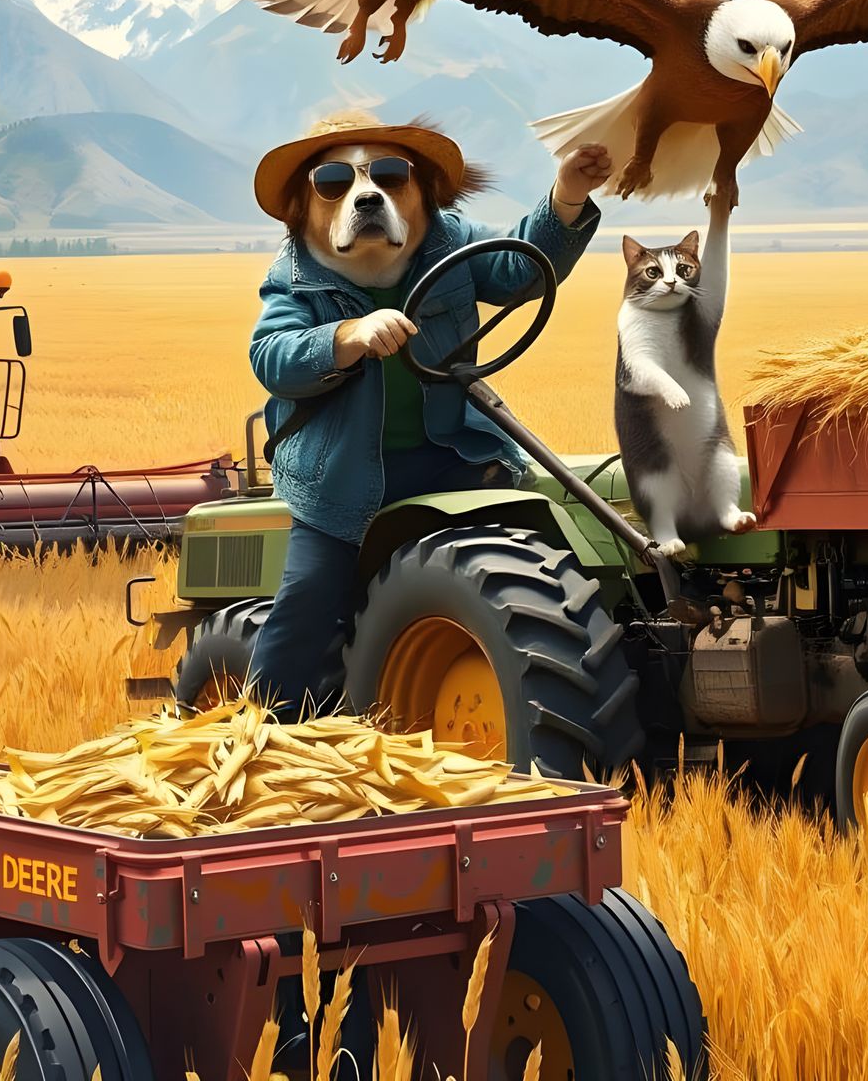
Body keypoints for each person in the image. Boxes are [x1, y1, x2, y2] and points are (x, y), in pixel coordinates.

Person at [243, 110, 611, 717]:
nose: (366, 194)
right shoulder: (292, 277)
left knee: (523, 573)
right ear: (302, 212)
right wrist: (347, 336)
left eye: (390, 175)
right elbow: (271, 356)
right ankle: (253, 736)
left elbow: (521, 270)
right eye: (333, 182)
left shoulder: (451, 241)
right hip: (343, 484)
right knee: (309, 598)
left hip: (455, 458)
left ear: (421, 196)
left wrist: (567, 195)